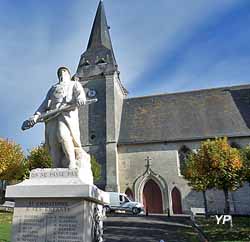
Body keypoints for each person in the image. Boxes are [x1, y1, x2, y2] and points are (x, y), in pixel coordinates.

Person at [26, 67, 87, 169]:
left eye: (64, 71)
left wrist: (81, 98)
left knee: (63, 135)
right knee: (52, 142)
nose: (61, 73)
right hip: (51, 117)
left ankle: (71, 162)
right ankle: (55, 166)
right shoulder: (53, 88)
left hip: (66, 114)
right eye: (59, 72)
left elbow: (80, 94)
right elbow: (45, 103)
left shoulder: (74, 84)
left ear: (68, 73)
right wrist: (36, 116)